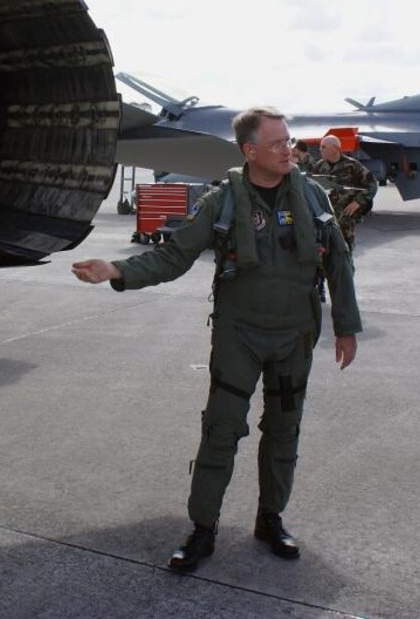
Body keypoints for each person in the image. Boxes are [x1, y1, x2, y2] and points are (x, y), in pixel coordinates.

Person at [72, 106, 362, 573]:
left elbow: (339, 263)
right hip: (238, 336)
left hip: (295, 335)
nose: (288, 150)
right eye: (277, 143)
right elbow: (174, 257)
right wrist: (117, 270)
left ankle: (271, 520)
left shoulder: (312, 197)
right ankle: (202, 528)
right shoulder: (221, 202)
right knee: (221, 431)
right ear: (250, 151)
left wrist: (345, 326)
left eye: (288, 141)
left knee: (284, 430)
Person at [311, 135, 378, 253]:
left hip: (345, 220)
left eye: (323, 147)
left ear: (335, 149)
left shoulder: (352, 165)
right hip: (325, 219)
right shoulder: (319, 166)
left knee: (345, 252)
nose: (320, 149)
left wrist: (358, 202)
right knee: (326, 253)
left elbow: (371, 184)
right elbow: (312, 187)